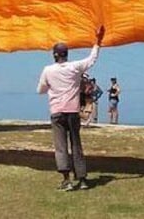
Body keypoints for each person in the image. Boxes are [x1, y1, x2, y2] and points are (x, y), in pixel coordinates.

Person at [37, 25, 104, 191]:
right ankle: (82, 180)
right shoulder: (75, 67)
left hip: (57, 113)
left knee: (61, 146)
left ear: (54, 55)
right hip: (73, 112)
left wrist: (51, 86)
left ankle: (66, 180)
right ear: (66, 54)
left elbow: (40, 90)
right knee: (76, 145)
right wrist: (98, 40)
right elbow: (92, 59)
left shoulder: (48, 70)